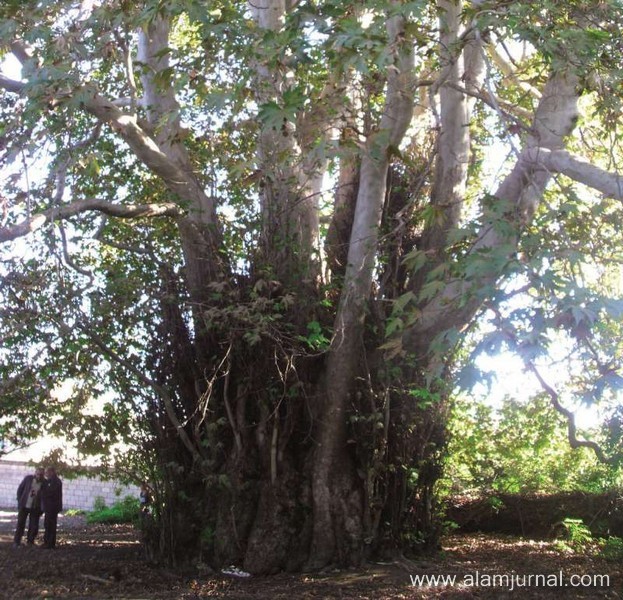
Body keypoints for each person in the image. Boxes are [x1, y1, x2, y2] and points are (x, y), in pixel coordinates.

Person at [13, 467, 45, 548]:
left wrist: (42, 508)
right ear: (35, 473)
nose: (39, 476)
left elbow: (44, 496)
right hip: (24, 505)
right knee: (20, 524)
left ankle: (30, 541)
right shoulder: (28, 479)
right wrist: (20, 501)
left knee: (34, 525)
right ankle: (16, 542)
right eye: (38, 474)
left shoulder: (44, 482)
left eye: (41, 474)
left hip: (35, 507)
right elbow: (20, 489)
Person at [40, 466, 63, 549]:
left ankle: (50, 543)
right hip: (49, 507)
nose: (46, 474)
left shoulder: (55, 481)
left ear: (51, 472)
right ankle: (47, 541)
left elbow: (51, 493)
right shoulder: (51, 481)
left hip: (52, 507)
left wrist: (43, 493)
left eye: (47, 472)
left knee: (51, 525)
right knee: (47, 524)